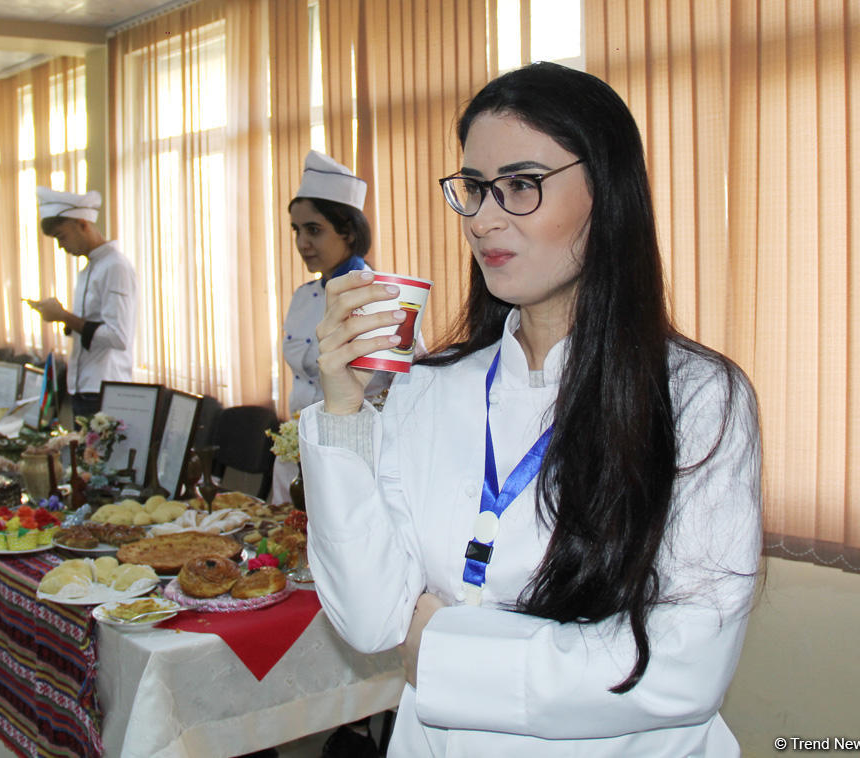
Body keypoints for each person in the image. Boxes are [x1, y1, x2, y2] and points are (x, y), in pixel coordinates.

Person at [299, 62, 762, 757]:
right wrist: (341, 412)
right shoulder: (431, 387)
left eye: (521, 186)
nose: (484, 219)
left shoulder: (698, 397)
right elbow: (369, 621)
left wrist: (442, 650)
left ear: (606, 193)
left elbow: (681, 670)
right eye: (476, 189)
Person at [273, 150, 400, 508]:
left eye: (314, 229)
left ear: (347, 230)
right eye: (297, 230)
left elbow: (409, 386)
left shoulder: (383, 296)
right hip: (293, 453)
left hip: (356, 457)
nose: (302, 243)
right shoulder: (303, 297)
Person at [27, 186, 137, 420]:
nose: (60, 246)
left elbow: (117, 337)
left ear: (83, 224)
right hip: (83, 386)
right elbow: (89, 327)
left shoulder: (114, 266)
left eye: (61, 236)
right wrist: (61, 317)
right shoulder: (89, 269)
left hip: (103, 389)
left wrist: (65, 316)